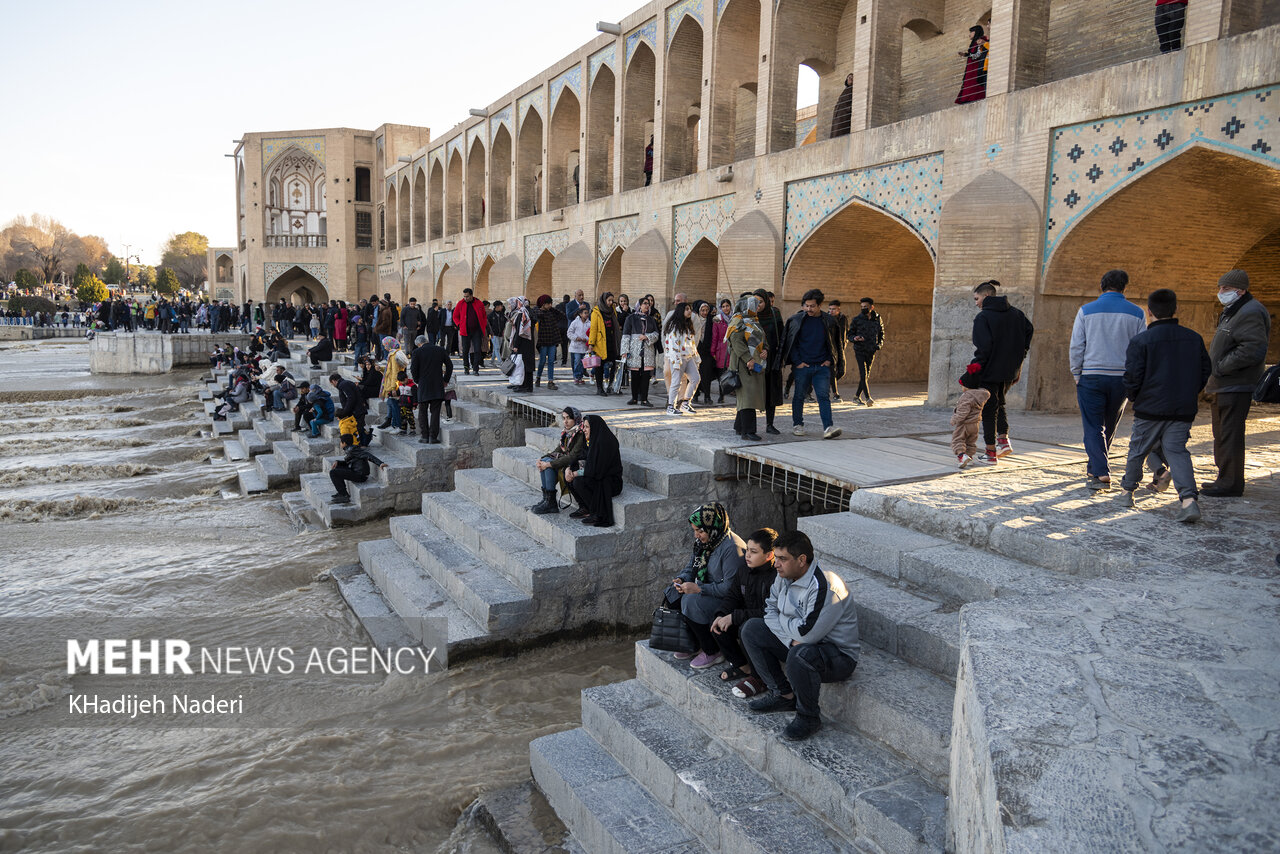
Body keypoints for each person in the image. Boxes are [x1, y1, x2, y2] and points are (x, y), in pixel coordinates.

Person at [740, 529, 859, 742]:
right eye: (776, 558)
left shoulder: (825, 586)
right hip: (799, 643)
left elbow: (808, 635)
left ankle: (809, 716)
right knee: (751, 629)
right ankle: (783, 695)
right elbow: (769, 611)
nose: (776, 564)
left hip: (837, 656)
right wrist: (789, 637)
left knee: (800, 654)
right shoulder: (783, 576)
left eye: (782, 559)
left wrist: (787, 628)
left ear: (802, 560)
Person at [1113, 288, 1211, 523]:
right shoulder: (1193, 338)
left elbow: (1132, 376)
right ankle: (1188, 501)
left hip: (1150, 408)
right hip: (1182, 409)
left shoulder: (1141, 340)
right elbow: (1205, 371)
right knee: (1177, 452)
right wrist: (1187, 393)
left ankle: (1127, 493)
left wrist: (1135, 396)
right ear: (1176, 309)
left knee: (1138, 450)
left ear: (1149, 311)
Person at [1069, 269, 1148, 491]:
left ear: (1101, 285)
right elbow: (1142, 349)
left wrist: (1077, 373)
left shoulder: (1086, 311)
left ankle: (1101, 472)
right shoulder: (1137, 313)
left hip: (1092, 376)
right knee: (1110, 424)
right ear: (1125, 287)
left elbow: (1077, 346)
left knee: (1093, 425)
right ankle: (1095, 466)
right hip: (1121, 378)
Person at [1203, 269, 1271, 497]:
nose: (1220, 292)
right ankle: (1224, 478)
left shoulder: (1250, 311)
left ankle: (1230, 483)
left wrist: (1221, 367)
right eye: (1220, 288)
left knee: (1230, 435)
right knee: (1222, 434)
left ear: (1240, 291)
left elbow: (1251, 349)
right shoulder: (1234, 310)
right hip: (1224, 384)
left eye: (1226, 289)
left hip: (1235, 384)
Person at [668, 503, 748, 671]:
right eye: (694, 530)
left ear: (713, 527)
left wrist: (698, 589)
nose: (696, 535)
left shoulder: (732, 549)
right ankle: (694, 643)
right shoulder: (705, 542)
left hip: (729, 601)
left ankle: (712, 650)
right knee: (673, 595)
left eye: (700, 531)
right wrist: (682, 579)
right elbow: (692, 567)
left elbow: (730, 589)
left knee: (691, 601)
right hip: (708, 590)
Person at [970, 280, 1035, 463]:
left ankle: (991, 452)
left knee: (989, 409)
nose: (976, 303)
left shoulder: (983, 317)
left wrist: (973, 372)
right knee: (999, 404)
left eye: (977, 298)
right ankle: (1003, 440)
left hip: (990, 370)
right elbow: (1029, 331)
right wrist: (1019, 359)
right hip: (1009, 370)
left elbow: (983, 350)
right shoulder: (1016, 314)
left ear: (987, 296)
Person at [711, 527, 777, 699]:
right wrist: (721, 614)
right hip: (748, 617)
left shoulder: (776, 577)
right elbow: (732, 596)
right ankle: (742, 665)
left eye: (753, 552)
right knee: (718, 623)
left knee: (745, 628)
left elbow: (769, 612)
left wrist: (735, 617)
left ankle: (759, 677)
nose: (747, 555)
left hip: (768, 625)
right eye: (747, 549)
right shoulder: (744, 570)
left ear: (769, 555)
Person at [781, 288, 845, 439]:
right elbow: (792, 343)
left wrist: (829, 360)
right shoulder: (797, 320)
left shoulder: (829, 321)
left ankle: (828, 427)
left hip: (822, 366)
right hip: (803, 367)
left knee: (823, 396)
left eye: (812, 306)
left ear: (819, 306)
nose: (808, 309)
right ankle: (798, 424)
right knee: (799, 396)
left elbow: (835, 343)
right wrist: (798, 362)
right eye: (806, 305)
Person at [566, 415, 623, 527]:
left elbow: (597, 470)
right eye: (584, 426)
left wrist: (576, 473)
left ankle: (596, 512)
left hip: (610, 481)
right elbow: (579, 458)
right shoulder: (590, 440)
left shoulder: (605, 443)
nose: (584, 429)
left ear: (595, 427)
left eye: (587, 427)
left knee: (578, 481)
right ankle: (584, 507)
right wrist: (569, 469)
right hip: (595, 474)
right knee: (568, 476)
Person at [531, 407, 588, 514]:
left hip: (576, 464)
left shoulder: (580, 433)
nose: (565, 421)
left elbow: (572, 456)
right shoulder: (568, 432)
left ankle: (550, 502)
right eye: (564, 418)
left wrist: (548, 464)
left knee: (549, 465)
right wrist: (542, 459)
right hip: (568, 461)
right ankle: (547, 499)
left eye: (568, 418)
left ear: (575, 419)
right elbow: (559, 449)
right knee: (546, 461)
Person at [727, 295, 767, 441]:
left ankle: (739, 426)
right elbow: (736, 342)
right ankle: (748, 431)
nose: (757, 308)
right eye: (754, 305)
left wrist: (765, 350)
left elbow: (763, 339)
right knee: (748, 397)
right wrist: (748, 358)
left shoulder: (754, 321)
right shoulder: (738, 321)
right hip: (743, 365)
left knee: (747, 397)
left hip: (755, 364)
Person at [753, 290, 786, 434]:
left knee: (771, 393)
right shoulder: (749, 315)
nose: (757, 305)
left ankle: (770, 424)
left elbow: (782, 335)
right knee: (751, 393)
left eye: (760, 301)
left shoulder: (774, 314)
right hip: (754, 359)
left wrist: (778, 355)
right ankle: (746, 426)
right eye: (755, 301)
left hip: (771, 359)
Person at [411, 334, 452, 444]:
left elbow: (413, 369)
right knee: (435, 411)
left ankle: (424, 436)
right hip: (437, 385)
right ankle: (433, 437)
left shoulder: (417, 352)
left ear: (419, 344)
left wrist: (417, 380)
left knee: (422, 411)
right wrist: (446, 380)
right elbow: (450, 365)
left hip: (423, 385)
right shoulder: (439, 350)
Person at [621, 296, 661, 406]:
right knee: (634, 375)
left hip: (648, 352)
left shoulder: (651, 319)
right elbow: (625, 335)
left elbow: (657, 334)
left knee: (645, 376)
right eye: (644, 303)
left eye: (648, 303)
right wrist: (625, 351)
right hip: (634, 351)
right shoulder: (630, 318)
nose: (647, 305)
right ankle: (634, 398)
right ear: (639, 305)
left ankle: (644, 399)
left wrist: (647, 337)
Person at [328, 433, 388, 506]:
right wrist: (338, 462)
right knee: (337, 468)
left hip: (360, 475)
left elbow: (367, 455)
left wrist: (380, 463)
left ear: (344, 443)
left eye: (341, 442)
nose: (340, 444)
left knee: (333, 473)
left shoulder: (353, 450)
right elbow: (350, 462)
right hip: (355, 471)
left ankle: (344, 495)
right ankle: (341, 492)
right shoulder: (350, 449)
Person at [663, 302, 701, 415]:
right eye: (687, 309)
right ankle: (671, 406)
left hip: (688, 357)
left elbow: (692, 343)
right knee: (676, 382)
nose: (689, 311)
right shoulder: (674, 326)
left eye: (690, 309)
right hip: (677, 359)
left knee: (695, 378)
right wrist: (676, 361)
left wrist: (696, 357)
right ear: (681, 311)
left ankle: (685, 403)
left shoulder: (688, 325)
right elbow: (673, 345)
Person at [951, 365, 992, 469]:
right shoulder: (980, 395)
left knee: (957, 440)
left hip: (965, 424)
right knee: (970, 442)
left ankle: (961, 456)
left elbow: (963, 411)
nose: (962, 388)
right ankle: (969, 458)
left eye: (962, 386)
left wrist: (955, 419)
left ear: (967, 386)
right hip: (975, 424)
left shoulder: (967, 396)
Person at [849, 298, 884, 406]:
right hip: (860, 350)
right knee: (863, 373)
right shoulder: (857, 320)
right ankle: (868, 398)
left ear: (871, 307)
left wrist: (879, 345)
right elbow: (849, 334)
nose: (863, 309)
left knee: (866, 375)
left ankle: (856, 397)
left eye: (866, 307)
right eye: (862, 307)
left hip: (871, 350)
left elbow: (881, 333)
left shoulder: (877, 319)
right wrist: (855, 338)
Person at [588, 293, 620, 397]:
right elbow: (593, 329)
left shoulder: (612, 311)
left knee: (614, 364)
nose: (611, 303)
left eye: (612, 300)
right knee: (599, 366)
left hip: (612, 341)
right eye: (609, 300)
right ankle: (600, 388)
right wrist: (591, 344)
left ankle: (610, 386)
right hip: (601, 343)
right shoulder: (596, 312)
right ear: (604, 300)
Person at [377, 337, 410, 432]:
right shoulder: (393, 354)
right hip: (392, 384)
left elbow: (395, 372)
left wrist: (393, 388)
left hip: (393, 385)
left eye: (385, 345)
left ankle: (397, 425)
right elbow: (390, 370)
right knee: (390, 403)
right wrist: (381, 369)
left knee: (394, 405)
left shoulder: (394, 355)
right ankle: (392, 423)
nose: (384, 347)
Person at [453, 288, 488, 375]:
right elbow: (455, 316)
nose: (466, 298)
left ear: (471, 295)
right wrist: (459, 325)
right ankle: (466, 368)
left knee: (477, 350)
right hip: (465, 331)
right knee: (465, 351)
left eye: (467, 296)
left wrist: (483, 326)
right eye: (464, 296)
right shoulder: (460, 303)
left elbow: (484, 316)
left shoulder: (479, 303)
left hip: (477, 331)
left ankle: (475, 368)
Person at [331, 372, 370, 447]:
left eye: (332, 384)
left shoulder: (343, 385)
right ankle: (361, 443)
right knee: (359, 427)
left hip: (357, 411)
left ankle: (361, 444)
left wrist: (345, 411)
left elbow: (351, 398)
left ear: (334, 381)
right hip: (357, 409)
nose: (333, 386)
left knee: (358, 428)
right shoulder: (345, 383)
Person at [506, 297, 536, 393]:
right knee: (528, 366)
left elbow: (519, 331)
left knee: (522, 366)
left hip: (522, 344)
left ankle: (523, 386)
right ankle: (529, 386)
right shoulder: (528, 313)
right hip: (529, 343)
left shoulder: (522, 314)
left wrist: (516, 345)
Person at [533, 294, 563, 390]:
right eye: (548, 304)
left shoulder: (551, 312)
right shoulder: (538, 312)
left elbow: (562, 315)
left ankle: (550, 381)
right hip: (543, 341)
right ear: (543, 304)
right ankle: (538, 377)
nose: (550, 305)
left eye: (551, 303)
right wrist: (541, 308)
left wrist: (552, 308)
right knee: (542, 361)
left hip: (552, 341)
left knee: (551, 361)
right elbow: (537, 314)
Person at [955, 25, 989, 104]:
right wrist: (965, 54)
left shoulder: (981, 40)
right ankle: (967, 99)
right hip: (971, 68)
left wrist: (967, 55)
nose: (969, 34)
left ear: (976, 32)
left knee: (974, 84)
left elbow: (978, 54)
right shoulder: (974, 42)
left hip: (976, 67)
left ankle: (973, 98)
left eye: (971, 32)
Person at [568, 304, 592, 385]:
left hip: (584, 347)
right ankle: (576, 376)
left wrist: (587, 339)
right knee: (577, 361)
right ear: (580, 314)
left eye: (587, 313)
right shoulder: (575, 322)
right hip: (576, 347)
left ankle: (580, 377)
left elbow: (591, 334)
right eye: (585, 313)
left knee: (583, 363)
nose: (586, 314)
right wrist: (576, 338)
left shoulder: (590, 323)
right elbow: (569, 333)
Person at [831, 73, 854, 137]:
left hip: (845, 114)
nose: (850, 79)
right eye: (849, 77)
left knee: (841, 130)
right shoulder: (846, 90)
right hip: (838, 114)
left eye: (852, 77)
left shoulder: (853, 89)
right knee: (836, 130)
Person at [487, 300, 508, 367]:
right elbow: (488, 325)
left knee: (496, 349)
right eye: (501, 306)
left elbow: (505, 323)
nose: (502, 307)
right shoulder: (491, 315)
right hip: (494, 334)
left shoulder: (502, 315)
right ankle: (500, 362)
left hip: (500, 334)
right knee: (497, 348)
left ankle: (492, 361)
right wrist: (490, 333)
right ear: (497, 306)